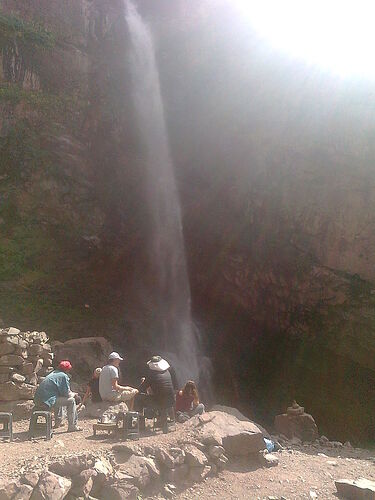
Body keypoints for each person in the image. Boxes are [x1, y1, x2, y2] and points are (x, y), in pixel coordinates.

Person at [33, 360, 81, 432]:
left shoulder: (53, 373)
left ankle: (58, 422)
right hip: (46, 401)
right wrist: (74, 394)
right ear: (67, 370)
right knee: (71, 401)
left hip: (38, 399)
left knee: (59, 398)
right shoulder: (63, 376)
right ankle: (72, 426)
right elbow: (66, 394)